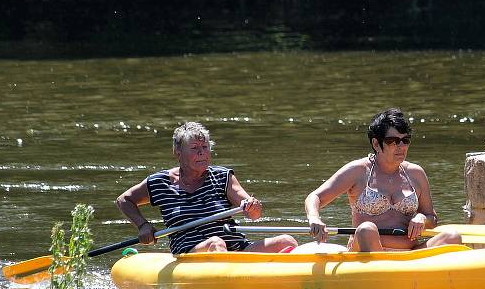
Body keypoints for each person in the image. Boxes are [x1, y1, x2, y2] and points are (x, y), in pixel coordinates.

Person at [116, 122, 297, 254]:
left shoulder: (222, 176)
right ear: (178, 152)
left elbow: (252, 213)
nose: (202, 152)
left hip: (237, 249)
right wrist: (143, 225)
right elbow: (124, 200)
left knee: (286, 241)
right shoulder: (159, 182)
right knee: (216, 244)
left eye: (205, 147)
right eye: (194, 148)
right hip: (191, 253)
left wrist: (253, 207)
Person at [305, 108, 461, 251]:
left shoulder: (416, 173)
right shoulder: (358, 171)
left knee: (452, 236)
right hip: (365, 252)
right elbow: (315, 197)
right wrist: (314, 218)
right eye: (392, 141)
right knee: (367, 229)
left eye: (405, 140)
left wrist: (422, 218)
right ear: (376, 143)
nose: (400, 146)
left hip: (411, 253)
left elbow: (432, 218)